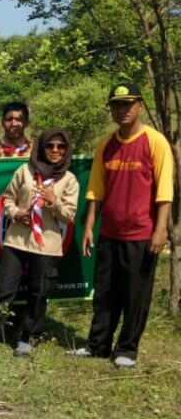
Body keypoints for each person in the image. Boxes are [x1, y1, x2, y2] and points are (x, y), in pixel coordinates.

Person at [69, 83, 174, 369]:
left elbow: (165, 190)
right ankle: (97, 344)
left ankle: (127, 348)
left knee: (135, 294)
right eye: (116, 105)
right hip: (109, 232)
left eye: (128, 104)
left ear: (140, 105)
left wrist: (160, 229)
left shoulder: (155, 141)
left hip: (141, 233)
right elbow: (96, 190)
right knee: (104, 293)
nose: (122, 110)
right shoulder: (105, 144)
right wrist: (90, 225)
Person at [0, 129, 79, 357]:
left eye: (60, 147)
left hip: (47, 245)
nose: (55, 151)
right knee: (2, 290)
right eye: (50, 146)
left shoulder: (69, 179)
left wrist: (53, 202)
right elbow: (8, 199)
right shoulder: (25, 171)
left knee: (38, 292)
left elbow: (69, 216)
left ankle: (28, 339)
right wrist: (15, 214)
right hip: (16, 241)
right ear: (41, 147)